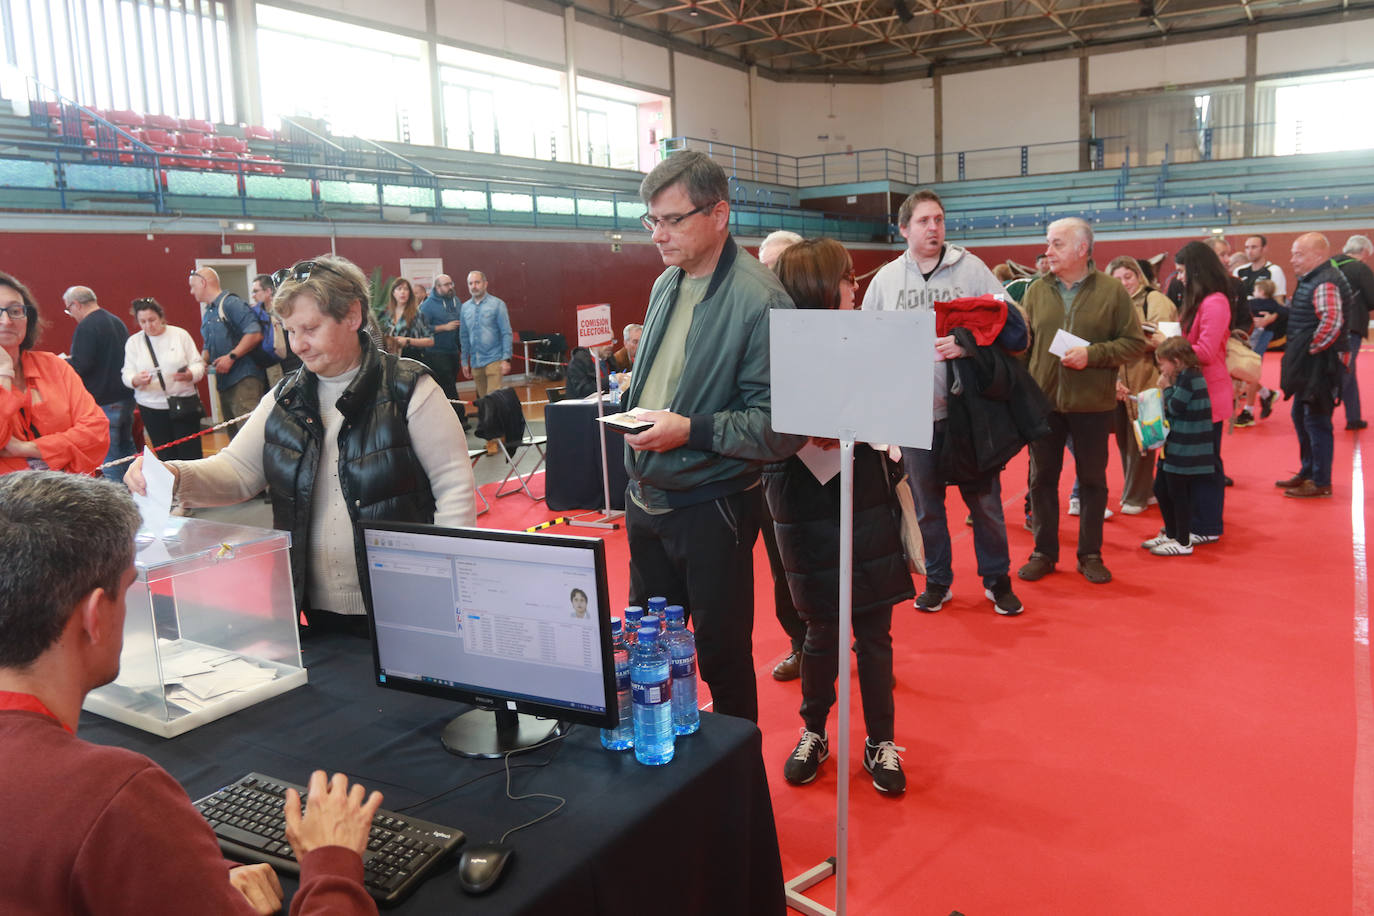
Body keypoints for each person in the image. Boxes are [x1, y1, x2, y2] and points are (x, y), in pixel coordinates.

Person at [0, 470, 380, 916]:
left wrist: (191, 879)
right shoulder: (115, 798)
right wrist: (332, 865)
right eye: (128, 590)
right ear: (94, 616)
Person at [128, 255, 476, 629]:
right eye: (291, 331)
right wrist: (173, 476)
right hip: (315, 612)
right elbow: (238, 470)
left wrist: (443, 583)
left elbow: (454, 487)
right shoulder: (284, 397)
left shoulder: (410, 389)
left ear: (352, 316)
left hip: (408, 606)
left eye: (310, 329)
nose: (299, 346)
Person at [621, 150, 804, 723]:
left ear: (719, 213)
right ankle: (669, 783)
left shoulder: (763, 299)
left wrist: (691, 429)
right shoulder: (665, 284)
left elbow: (781, 427)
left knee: (722, 660)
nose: (658, 234)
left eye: (673, 219)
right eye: (651, 220)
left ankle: (734, 795)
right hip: (646, 498)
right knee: (647, 656)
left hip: (711, 505)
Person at [765, 238, 912, 795]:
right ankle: (813, 731)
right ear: (821, 286)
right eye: (848, 279)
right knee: (821, 627)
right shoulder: (774, 346)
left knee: (874, 626)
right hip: (800, 499)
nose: (857, 288)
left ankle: (880, 741)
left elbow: (895, 411)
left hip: (865, 490)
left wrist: (870, 420)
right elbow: (760, 425)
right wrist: (802, 430)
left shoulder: (872, 339)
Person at [862, 188, 1028, 614]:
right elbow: (868, 341)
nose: (934, 227)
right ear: (903, 229)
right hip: (912, 415)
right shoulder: (885, 280)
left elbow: (1010, 329)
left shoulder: (970, 269)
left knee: (986, 503)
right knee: (927, 508)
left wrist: (968, 343)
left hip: (967, 413)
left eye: (939, 219)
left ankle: (997, 580)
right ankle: (938, 580)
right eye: (924, 221)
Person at [1018, 218, 1146, 585]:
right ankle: (1043, 551)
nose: (1048, 251)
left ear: (1082, 250)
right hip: (1044, 406)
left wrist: (1093, 355)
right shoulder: (1037, 290)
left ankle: (1090, 553)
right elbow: (1027, 346)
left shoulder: (1112, 291)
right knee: (1041, 480)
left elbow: (1134, 343)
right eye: (1048, 243)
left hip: (1093, 405)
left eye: (1057, 244)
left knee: (1092, 482)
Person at [754, 229, 808, 682]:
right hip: (772, 466)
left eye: (783, 264)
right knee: (782, 564)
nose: (774, 274)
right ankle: (800, 644)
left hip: (828, 463)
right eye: (767, 266)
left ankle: (859, 647)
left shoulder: (826, 317)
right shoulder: (754, 321)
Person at [0, 272, 108, 475]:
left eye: (15, 310)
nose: (6, 321)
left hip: (73, 495)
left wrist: (29, 448)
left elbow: (97, 432)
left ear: (27, 318)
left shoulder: (53, 366)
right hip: (10, 502)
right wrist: (4, 373)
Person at [1277, 232, 1351, 499]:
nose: (1292, 258)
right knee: (1301, 416)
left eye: (1298, 254)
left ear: (1317, 256)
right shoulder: (1314, 279)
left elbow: (1331, 323)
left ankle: (1320, 481)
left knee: (1316, 421)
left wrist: (1308, 350)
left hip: (1321, 365)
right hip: (1313, 363)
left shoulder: (1325, 282)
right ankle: (1308, 471)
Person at [1172, 241, 1234, 543]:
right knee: (1199, 464)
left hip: (1208, 395)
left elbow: (1206, 351)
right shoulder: (1202, 302)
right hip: (1197, 393)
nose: (1179, 278)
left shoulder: (1215, 302)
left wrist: (1170, 348)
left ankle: (1207, 525)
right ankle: (1198, 520)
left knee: (1207, 465)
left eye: (1182, 271)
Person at [1106, 256, 1176, 514]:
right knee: (1126, 441)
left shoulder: (1155, 299)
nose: (1124, 283)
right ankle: (1145, 492)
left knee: (1144, 441)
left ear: (1139, 276)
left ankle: (1135, 496)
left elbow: (1164, 339)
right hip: (1119, 383)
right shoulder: (1112, 301)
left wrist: (1124, 340)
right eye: (1117, 278)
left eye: (1128, 276)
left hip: (1148, 380)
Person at [1143, 337, 1214, 557]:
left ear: (1176, 361)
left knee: (1177, 493)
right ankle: (1172, 532)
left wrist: (1165, 388)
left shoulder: (1188, 377)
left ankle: (1183, 540)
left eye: (1163, 363)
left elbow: (1175, 407)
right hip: (1178, 444)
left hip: (1186, 445)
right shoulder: (1187, 375)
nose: (1161, 368)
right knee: (1162, 488)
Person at [62, 286, 134, 481]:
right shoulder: (116, 321)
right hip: (126, 396)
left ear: (76, 304)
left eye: (69, 310)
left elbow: (81, 365)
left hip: (104, 400)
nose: (71, 314)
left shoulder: (86, 326)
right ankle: (139, 498)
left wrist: (62, 362)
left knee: (110, 458)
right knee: (128, 452)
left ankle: (120, 504)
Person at [122, 297, 207, 461]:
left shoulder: (179, 335)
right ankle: (172, 486)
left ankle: (195, 486)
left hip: (183, 402)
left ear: (161, 317)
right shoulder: (134, 342)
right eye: (143, 321)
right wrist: (136, 379)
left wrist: (190, 374)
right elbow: (126, 373)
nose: (148, 325)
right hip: (151, 406)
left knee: (191, 453)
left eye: (152, 320)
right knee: (165, 455)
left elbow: (198, 364)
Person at [192, 267, 265, 440]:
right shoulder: (209, 313)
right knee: (234, 437)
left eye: (193, 286)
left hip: (244, 379)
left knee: (249, 435)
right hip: (224, 382)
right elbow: (208, 345)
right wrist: (201, 362)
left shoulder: (232, 304)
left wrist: (231, 357)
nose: (191, 291)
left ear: (203, 283)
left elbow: (254, 333)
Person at [1333, 236, 1374, 431]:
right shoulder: (1360, 268)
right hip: (1351, 325)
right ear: (1363, 252)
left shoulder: (1330, 265)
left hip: (1329, 324)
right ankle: (1322, 408)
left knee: (1349, 371)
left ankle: (1354, 416)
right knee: (1345, 371)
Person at [1235, 278, 1285, 427]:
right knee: (1244, 372)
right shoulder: (1272, 304)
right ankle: (1266, 394)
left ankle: (1249, 410)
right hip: (1255, 337)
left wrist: (1271, 318)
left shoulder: (1252, 303)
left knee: (1250, 371)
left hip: (1257, 339)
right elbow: (1283, 309)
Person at [460, 270, 513, 400]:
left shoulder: (497, 304)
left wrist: (506, 359)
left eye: (477, 282)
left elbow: (506, 332)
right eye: (470, 283)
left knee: (493, 400)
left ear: (485, 284)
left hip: (494, 359)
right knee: (483, 402)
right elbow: (464, 336)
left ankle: (495, 421)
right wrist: (464, 361)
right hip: (475, 361)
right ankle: (488, 421)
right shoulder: (465, 308)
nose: (474, 286)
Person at [418, 274, 464, 419]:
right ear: (437, 287)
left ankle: (450, 416)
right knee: (448, 385)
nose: (450, 287)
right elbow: (421, 329)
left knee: (450, 384)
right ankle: (460, 417)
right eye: (446, 285)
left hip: (454, 350)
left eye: (451, 284)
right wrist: (444, 327)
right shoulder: (427, 306)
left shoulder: (456, 301)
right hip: (436, 352)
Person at [252, 273, 301, 376]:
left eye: (256, 291)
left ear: (268, 291)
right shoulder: (260, 314)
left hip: (294, 366)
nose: (253, 295)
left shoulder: (283, 311)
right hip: (275, 370)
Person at [379, 278, 435, 364]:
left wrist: (408, 341)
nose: (403, 292)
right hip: (390, 361)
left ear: (410, 293)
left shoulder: (417, 315)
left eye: (406, 289)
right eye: (399, 289)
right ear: (393, 293)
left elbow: (430, 341)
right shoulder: (386, 315)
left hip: (412, 360)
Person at [1234, 234, 1288, 304]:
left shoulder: (1274, 271)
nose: (1250, 252)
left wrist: (1272, 315)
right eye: (1247, 248)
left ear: (1264, 248)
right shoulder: (1239, 271)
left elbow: (1279, 301)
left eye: (1254, 247)